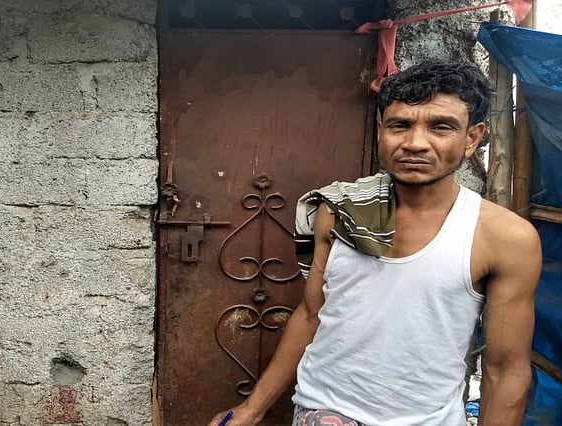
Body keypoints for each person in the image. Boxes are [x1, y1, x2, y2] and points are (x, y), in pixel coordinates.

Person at [207, 60, 542, 426]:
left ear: (472, 139)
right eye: (400, 125)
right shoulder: (339, 211)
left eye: (440, 127)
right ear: (381, 131)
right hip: (322, 412)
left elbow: (505, 370)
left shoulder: (503, 237)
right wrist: (252, 409)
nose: (415, 143)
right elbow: (311, 313)